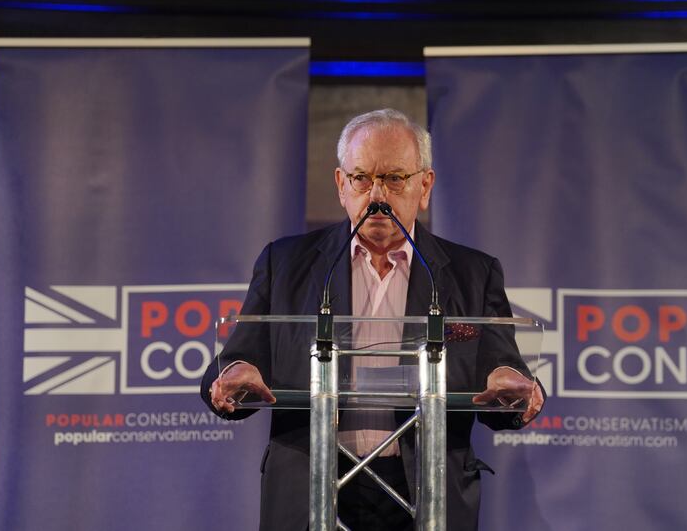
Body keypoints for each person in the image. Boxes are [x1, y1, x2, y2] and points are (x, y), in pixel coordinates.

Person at [201, 108, 544, 530]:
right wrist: (238, 372)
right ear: (341, 185)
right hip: (312, 490)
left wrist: (509, 384)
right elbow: (240, 356)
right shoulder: (286, 263)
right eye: (362, 178)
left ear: (425, 186)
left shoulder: (472, 272)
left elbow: (501, 367)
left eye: (395, 178)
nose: (377, 194)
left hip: (427, 491)